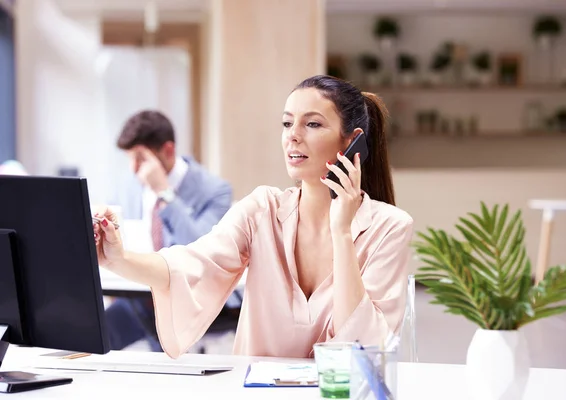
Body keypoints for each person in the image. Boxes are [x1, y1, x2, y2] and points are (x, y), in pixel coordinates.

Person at [94, 75, 414, 359]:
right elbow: (190, 265)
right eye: (287, 123)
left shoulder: (389, 227)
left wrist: (342, 233)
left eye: (312, 124)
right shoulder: (262, 209)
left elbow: (363, 347)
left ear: (351, 140)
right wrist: (117, 259)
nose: (293, 136)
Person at [103, 110, 233, 352]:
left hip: (190, 301)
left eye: (141, 159)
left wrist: (164, 191)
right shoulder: (128, 187)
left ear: (168, 151)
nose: (134, 169)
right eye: (130, 159)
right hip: (138, 298)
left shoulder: (215, 191)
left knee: (164, 341)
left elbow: (201, 252)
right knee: (94, 336)